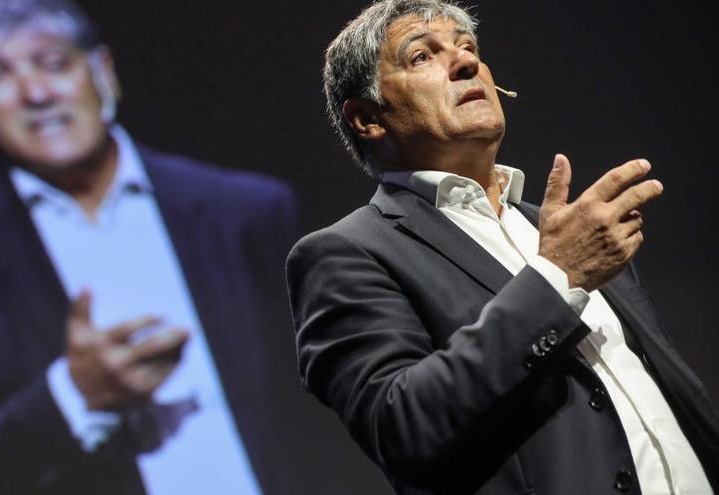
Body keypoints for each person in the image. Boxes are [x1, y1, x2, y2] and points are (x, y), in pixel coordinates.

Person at [0, 1, 378, 494]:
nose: (36, 93)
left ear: (103, 72)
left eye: (54, 63)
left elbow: (334, 407)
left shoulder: (244, 211)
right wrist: (74, 395)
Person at [286, 1, 719, 494]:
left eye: (467, 47)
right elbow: (402, 426)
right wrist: (556, 277)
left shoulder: (569, 231)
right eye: (422, 56)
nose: (467, 62)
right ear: (367, 118)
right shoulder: (346, 254)